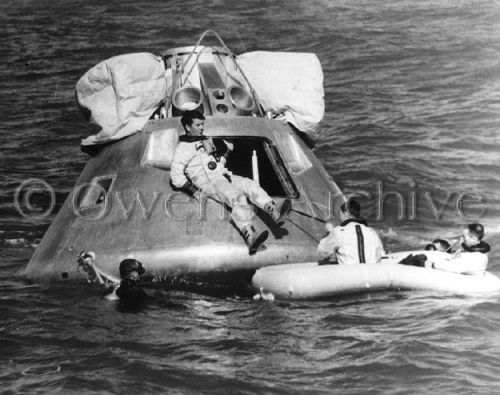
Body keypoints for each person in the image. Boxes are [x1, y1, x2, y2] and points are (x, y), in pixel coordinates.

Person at [170, 110, 291, 254]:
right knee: (237, 197)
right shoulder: (183, 149)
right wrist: (193, 191)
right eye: (198, 125)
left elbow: (214, 164)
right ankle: (250, 235)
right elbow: (175, 176)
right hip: (210, 183)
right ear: (188, 127)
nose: (202, 127)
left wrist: (227, 151)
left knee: (250, 185)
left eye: (202, 124)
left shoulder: (204, 140)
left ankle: (274, 212)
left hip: (222, 175)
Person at [317, 200, 385, 264]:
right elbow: (379, 257)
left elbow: (322, 253)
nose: (340, 217)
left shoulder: (338, 231)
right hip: (369, 275)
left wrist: (329, 231)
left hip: (349, 275)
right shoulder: (372, 232)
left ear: (346, 212)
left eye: (340, 213)